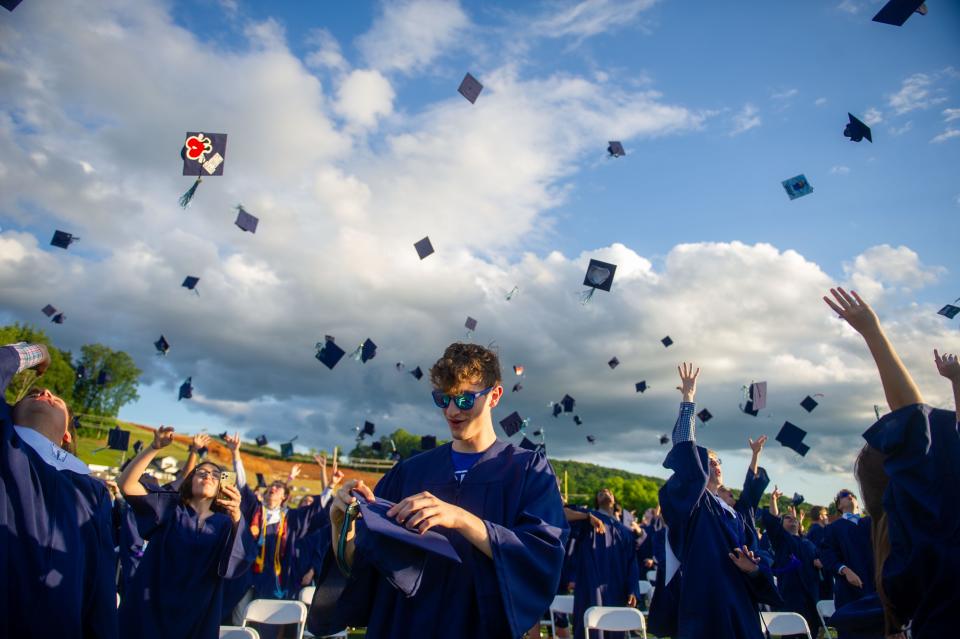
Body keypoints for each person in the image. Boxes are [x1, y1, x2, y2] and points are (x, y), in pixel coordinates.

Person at [322, 342, 568, 638]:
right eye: (443, 399)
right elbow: (362, 567)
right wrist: (341, 526)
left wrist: (461, 519)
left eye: (465, 400)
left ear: (494, 396)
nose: (452, 411)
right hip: (406, 625)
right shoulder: (410, 472)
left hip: (478, 627)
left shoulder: (527, 470)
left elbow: (540, 557)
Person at [825, 287, 960, 639]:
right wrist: (872, 331)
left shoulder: (899, 558)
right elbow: (915, 425)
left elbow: (923, 435)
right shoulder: (939, 525)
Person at [649, 362, 780, 639]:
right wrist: (688, 399)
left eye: (718, 461)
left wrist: (753, 568)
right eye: (708, 461)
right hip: (706, 599)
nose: (715, 465)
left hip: (740, 597)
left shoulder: (731, 513)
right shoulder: (695, 505)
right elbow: (686, 453)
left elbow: (750, 500)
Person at [1, 342, 119, 639]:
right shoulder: (6, 448)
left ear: (67, 434)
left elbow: (99, 588)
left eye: (58, 399)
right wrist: (37, 351)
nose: (44, 393)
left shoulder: (93, 492)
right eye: (30, 394)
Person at [117, 425, 256, 639]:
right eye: (201, 472)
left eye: (215, 474)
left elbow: (240, 560)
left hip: (199, 614)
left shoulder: (227, 523)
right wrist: (153, 448)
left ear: (222, 485)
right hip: (152, 607)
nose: (208, 476)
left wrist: (237, 514)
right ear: (189, 481)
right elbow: (126, 485)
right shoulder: (168, 508)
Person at [568, 488, 640, 639]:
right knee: (592, 629)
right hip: (590, 588)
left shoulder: (625, 532)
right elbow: (562, 513)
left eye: (608, 491)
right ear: (596, 501)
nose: (604, 492)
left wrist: (633, 589)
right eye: (600, 492)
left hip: (618, 590)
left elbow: (632, 563)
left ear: (614, 500)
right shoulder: (589, 519)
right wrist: (587, 516)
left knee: (616, 629)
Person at [760, 486, 821, 636]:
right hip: (791, 594)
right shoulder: (781, 540)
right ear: (781, 524)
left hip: (811, 595)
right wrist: (773, 500)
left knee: (810, 631)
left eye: (794, 519)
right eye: (787, 518)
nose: (792, 520)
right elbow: (773, 522)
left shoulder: (807, 543)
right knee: (791, 632)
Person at [804, 505, 833, 601]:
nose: (827, 517)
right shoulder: (819, 531)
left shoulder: (812, 530)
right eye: (825, 515)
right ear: (820, 516)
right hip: (822, 575)